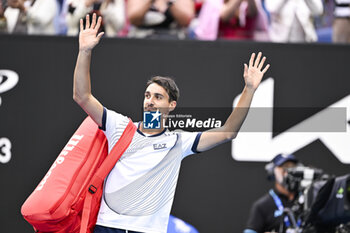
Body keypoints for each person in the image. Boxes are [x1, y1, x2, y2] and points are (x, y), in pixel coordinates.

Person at [73, 13, 270, 233]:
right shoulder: (119, 126)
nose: (150, 101)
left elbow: (228, 132)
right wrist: (85, 51)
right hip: (108, 227)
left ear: (171, 105)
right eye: (147, 95)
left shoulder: (178, 141)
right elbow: (82, 96)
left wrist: (249, 89)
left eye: (158, 97)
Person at [244, 154, 299, 233]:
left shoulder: (308, 199)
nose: (288, 172)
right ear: (273, 172)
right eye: (284, 168)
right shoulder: (262, 206)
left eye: (292, 167)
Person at [126, 0, 195, 39]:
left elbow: (186, 21)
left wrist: (170, 2)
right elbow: (133, 19)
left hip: (174, 41)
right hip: (141, 40)